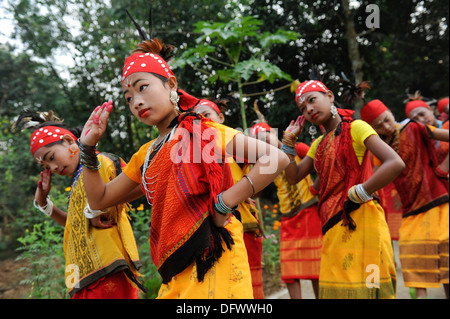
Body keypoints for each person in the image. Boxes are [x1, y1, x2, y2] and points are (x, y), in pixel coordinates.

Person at [77, 26, 289, 298]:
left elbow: (276, 158)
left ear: (171, 85)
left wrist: (224, 202)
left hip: (214, 256)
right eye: (129, 99)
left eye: (143, 88)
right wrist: (87, 148)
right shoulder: (145, 154)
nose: (137, 102)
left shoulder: (201, 131)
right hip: (175, 266)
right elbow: (99, 200)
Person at [283, 80, 405, 299]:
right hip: (332, 229)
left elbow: (394, 162)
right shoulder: (317, 144)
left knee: (370, 291)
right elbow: (293, 177)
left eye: (312, 100)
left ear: (330, 96)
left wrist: (362, 190)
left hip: (363, 222)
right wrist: (289, 143)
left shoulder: (356, 127)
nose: (309, 109)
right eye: (302, 108)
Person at [16, 111, 143, 299]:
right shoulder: (78, 182)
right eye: (46, 167)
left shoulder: (100, 162)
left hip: (107, 270)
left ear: (68, 141)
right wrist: (44, 204)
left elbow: (145, 182)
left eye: (51, 158)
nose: (53, 168)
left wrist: (96, 207)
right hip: (82, 278)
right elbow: (76, 224)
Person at [360, 99, 449, 299]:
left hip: (438, 201)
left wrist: (442, 169)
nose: (385, 126)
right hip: (411, 211)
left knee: (447, 267)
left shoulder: (415, 127)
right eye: (378, 126)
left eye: (386, 119)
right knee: (414, 266)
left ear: (391, 112)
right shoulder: (381, 147)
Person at [195, 98, 265, 299]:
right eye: (197, 117)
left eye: (206, 114)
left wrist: (243, 193)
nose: (202, 119)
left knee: (250, 286)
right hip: (210, 229)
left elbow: (260, 181)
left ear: (221, 117)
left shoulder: (233, 141)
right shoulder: (192, 150)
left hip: (243, 224)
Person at [251, 121, 322, 299]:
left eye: (265, 138)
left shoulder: (298, 148)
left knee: (317, 270)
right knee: (289, 273)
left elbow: (324, 161)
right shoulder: (266, 163)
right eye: (258, 143)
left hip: (309, 213)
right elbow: (256, 192)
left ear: (274, 134)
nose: (264, 144)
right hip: (288, 220)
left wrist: (316, 187)